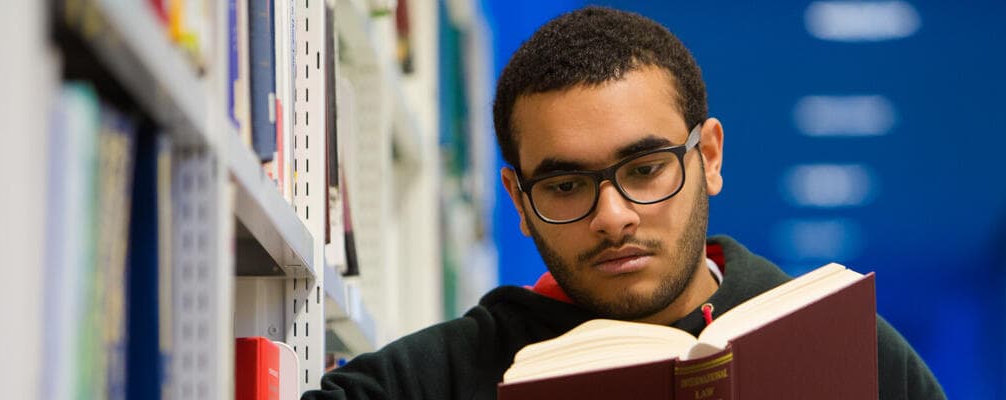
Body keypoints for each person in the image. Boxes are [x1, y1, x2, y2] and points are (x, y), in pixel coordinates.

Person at [302, 6, 945, 399]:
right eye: (564, 186)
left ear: (709, 157)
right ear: (519, 203)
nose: (613, 217)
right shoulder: (433, 380)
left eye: (644, 170)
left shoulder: (855, 353)